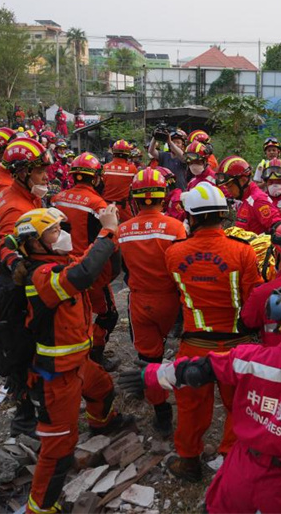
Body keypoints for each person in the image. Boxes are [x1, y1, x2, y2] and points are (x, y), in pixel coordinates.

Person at [120, 276, 281, 514]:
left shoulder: (247, 359)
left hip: (242, 469)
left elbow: (196, 371)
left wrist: (148, 375)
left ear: (277, 311)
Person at [12, 207, 134, 514]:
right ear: (35, 242)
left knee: (103, 388)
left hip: (78, 363)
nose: (63, 234)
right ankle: (40, 508)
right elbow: (82, 274)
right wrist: (107, 231)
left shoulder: (60, 265)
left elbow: (95, 268)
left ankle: (101, 424)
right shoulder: (42, 276)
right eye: (54, 231)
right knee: (59, 448)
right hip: (56, 377)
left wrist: (110, 242)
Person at [163, 182, 264, 481]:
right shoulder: (244, 251)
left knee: (191, 407)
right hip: (237, 346)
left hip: (195, 345)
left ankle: (189, 462)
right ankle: (231, 460)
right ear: (222, 214)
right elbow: (254, 299)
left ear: (191, 217)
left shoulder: (174, 253)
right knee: (239, 406)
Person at [116, 168, 187, 436]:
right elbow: (182, 264)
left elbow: (122, 268)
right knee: (183, 352)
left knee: (149, 360)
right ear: (162, 196)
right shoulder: (175, 227)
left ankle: (162, 415)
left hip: (141, 302)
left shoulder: (123, 230)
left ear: (134, 198)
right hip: (172, 300)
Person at [50, 153, 120, 369]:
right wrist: (110, 274)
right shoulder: (98, 205)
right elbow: (110, 242)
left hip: (61, 267)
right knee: (108, 314)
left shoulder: (56, 198)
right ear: (96, 177)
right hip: (90, 267)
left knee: (72, 313)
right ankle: (95, 355)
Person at [0, 137, 50, 270]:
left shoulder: (22, 193)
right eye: (40, 172)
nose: (46, 177)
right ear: (22, 173)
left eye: (45, 171)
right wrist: (16, 264)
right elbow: (7, 245)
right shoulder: (16, 209)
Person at [216, 156, 281, 235]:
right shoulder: (245, 199)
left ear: (243, 180)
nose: (228, 190)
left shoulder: (258, 200)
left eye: (229, 185)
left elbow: (278, 226)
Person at [102, 140, 139, 222]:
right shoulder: (132, 169)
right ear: (127, 154)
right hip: (124, 208)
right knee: (132, 225)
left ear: (113, 152)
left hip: (106, 207)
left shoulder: (104, 168)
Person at [148, 125, 187, 190]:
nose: (175, 144)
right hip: (166, 190)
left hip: (180, 190)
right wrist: (155, 137)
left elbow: (183, 157)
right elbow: (151, 151)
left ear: (183, 146)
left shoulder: (183, 157)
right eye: (174, 142)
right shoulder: (164, 155)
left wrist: (170, 142)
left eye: (178, 143)